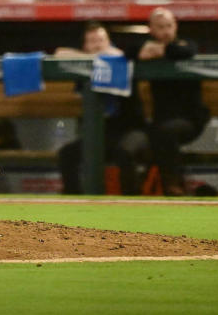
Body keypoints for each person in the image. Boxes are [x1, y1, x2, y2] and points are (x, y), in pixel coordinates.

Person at [54, 22, 148, 195]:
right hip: (101, 134)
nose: (97, 45)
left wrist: (101, 56)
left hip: (131, 130)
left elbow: (119, 54)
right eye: (92, 41)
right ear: (85, 46)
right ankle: (74, 201)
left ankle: (132, 201)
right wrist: (92, 57)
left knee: (125, 152)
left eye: (101, 40)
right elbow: (60, 53)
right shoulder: (85, 65)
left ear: (109, 42)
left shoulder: (121, 60)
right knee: (67, 154)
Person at [128, 8, 209, 196]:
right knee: (144, 138)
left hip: (190, 119)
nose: (165, 31)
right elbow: (130, 51)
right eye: (160, 27)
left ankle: (173, 186)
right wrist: (146, 50)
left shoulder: (185, 43)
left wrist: (159, 50)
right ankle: (139, 191)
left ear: (175, 26)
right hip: (159, 121)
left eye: (169, 26)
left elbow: (187, 50)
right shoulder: (145, 45)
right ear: (151, 30)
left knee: (164, 132)